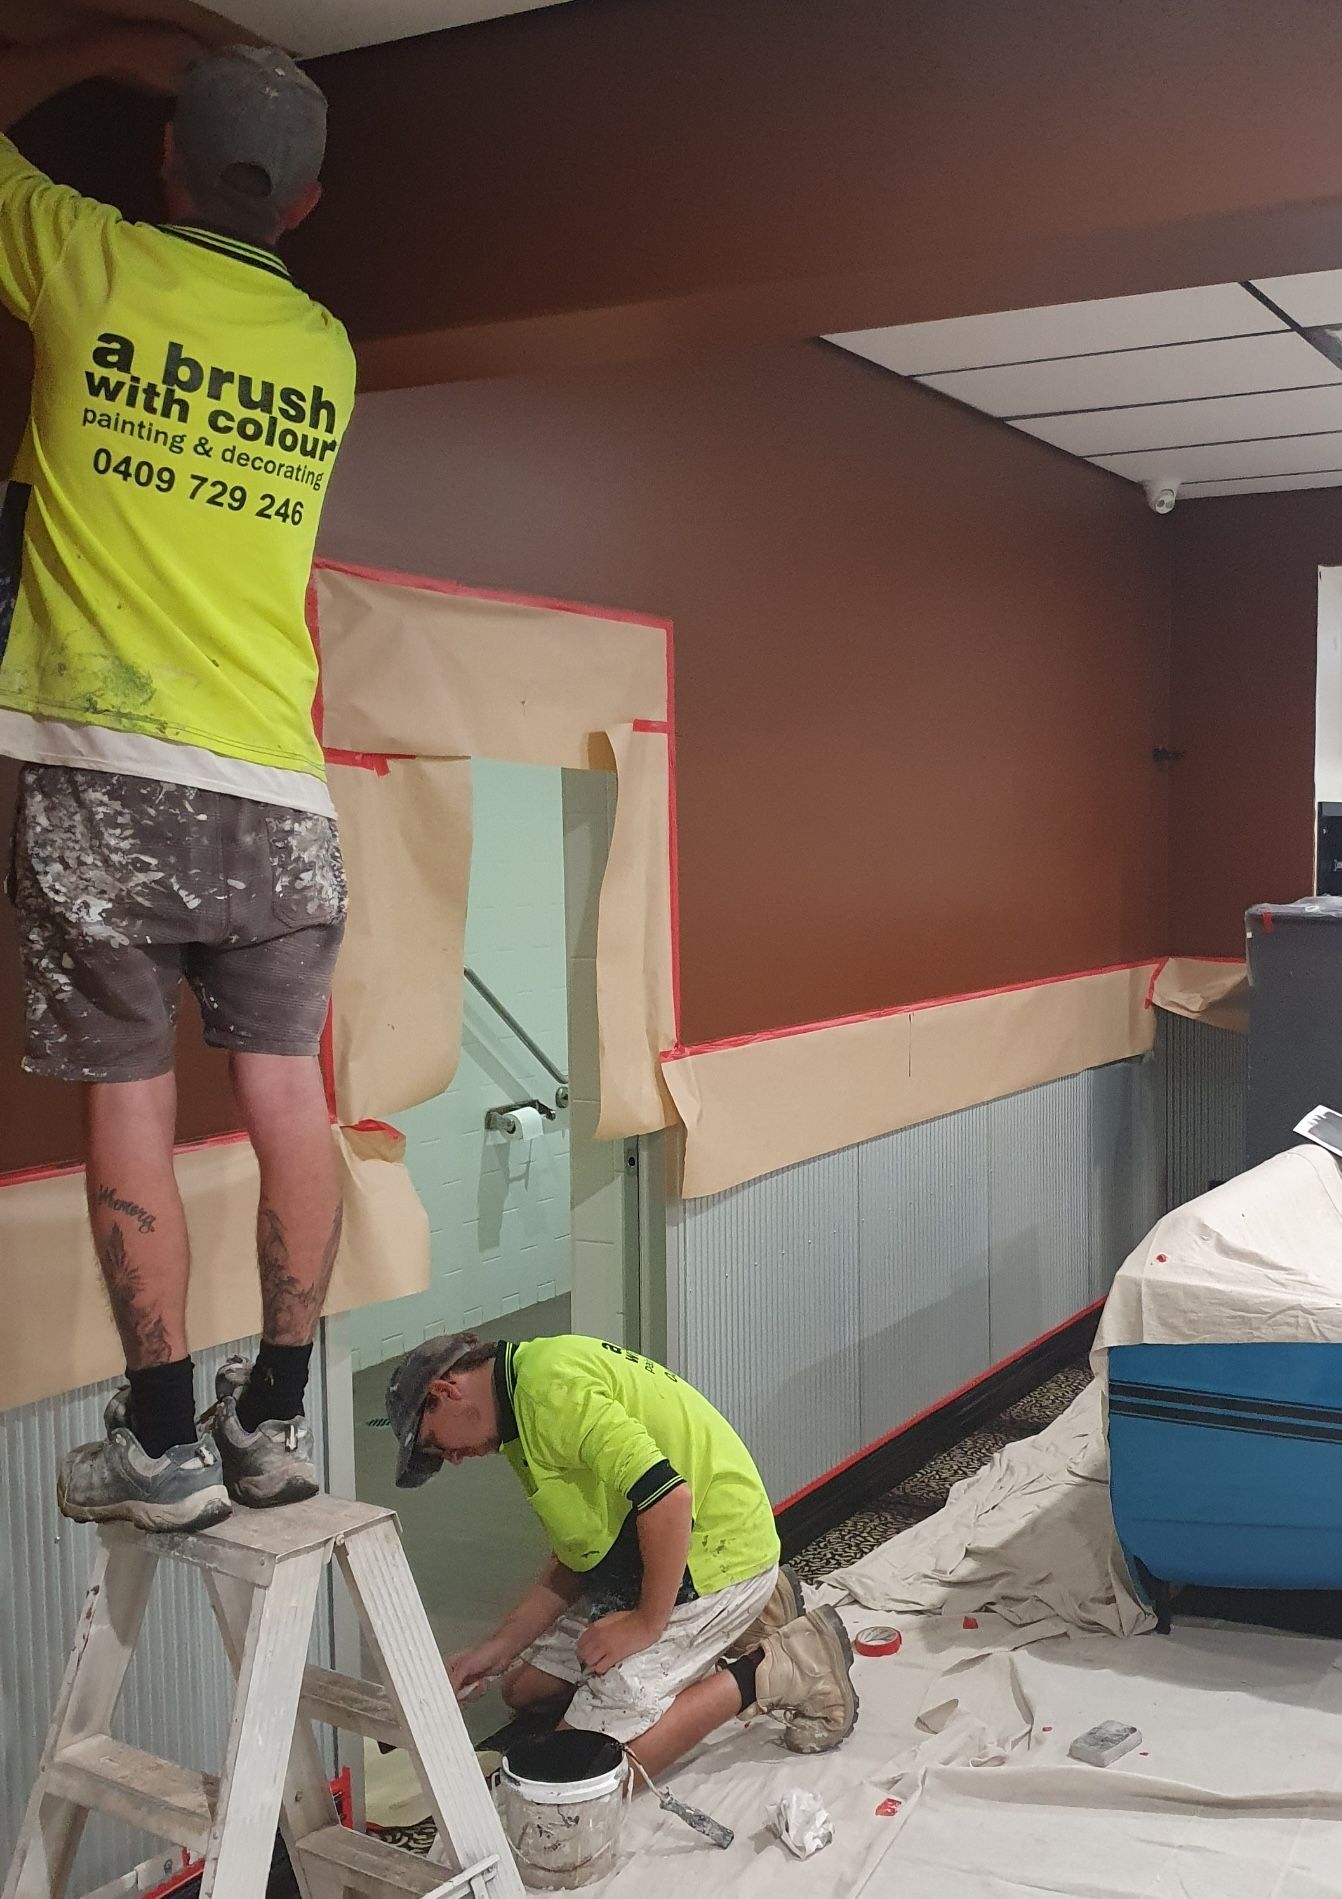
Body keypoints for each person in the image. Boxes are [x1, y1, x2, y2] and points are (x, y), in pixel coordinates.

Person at [0, 24, 356, 1532]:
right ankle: (272, 1412)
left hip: (105, 767)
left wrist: (95, 39)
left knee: (132, 1099)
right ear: (306, 206)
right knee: (289, 1094)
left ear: (163, 164)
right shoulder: (325, 349)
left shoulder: (91, 268)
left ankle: (162, 1434)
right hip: (281, 784)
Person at [386, 1332, 861, 1773]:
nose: (448, 1459)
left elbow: (670, 1500)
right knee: (525, 1690)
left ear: (446, 1390)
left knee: (591, 1775)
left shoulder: (551, 1392)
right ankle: (749, 1616)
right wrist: (497, 1649)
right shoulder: (517, 1402)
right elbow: (577, 1553)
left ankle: (779, 1667)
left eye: (433, 1443)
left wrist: (644, 1625)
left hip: (711, 1555)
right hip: (659, 1552)